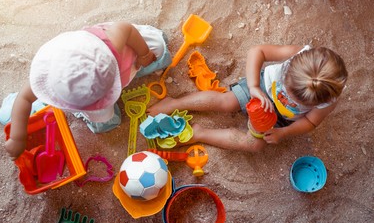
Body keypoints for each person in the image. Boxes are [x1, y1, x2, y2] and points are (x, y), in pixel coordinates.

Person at [5, 21, 171, 160]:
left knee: (159, 47)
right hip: (111, 69)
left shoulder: (110, 44)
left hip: (120, 57)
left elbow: (125, 28)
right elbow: (24, 99)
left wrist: (144, 53)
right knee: (105, 123)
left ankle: (146, 53)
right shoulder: (49, 74)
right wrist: (17, 137)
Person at [147, 44, 348, 152]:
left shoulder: (327, 100)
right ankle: (174, 103)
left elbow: (310, 122)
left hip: (281, 118)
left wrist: (284, 133)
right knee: (226, 102)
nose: (287, 97)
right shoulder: (298, 54)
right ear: (289, 68)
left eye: (298, 101)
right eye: (287, 89)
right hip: (262, 87)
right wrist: (253, 87)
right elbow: (257, 52)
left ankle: (200, 134)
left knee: (253, 145)